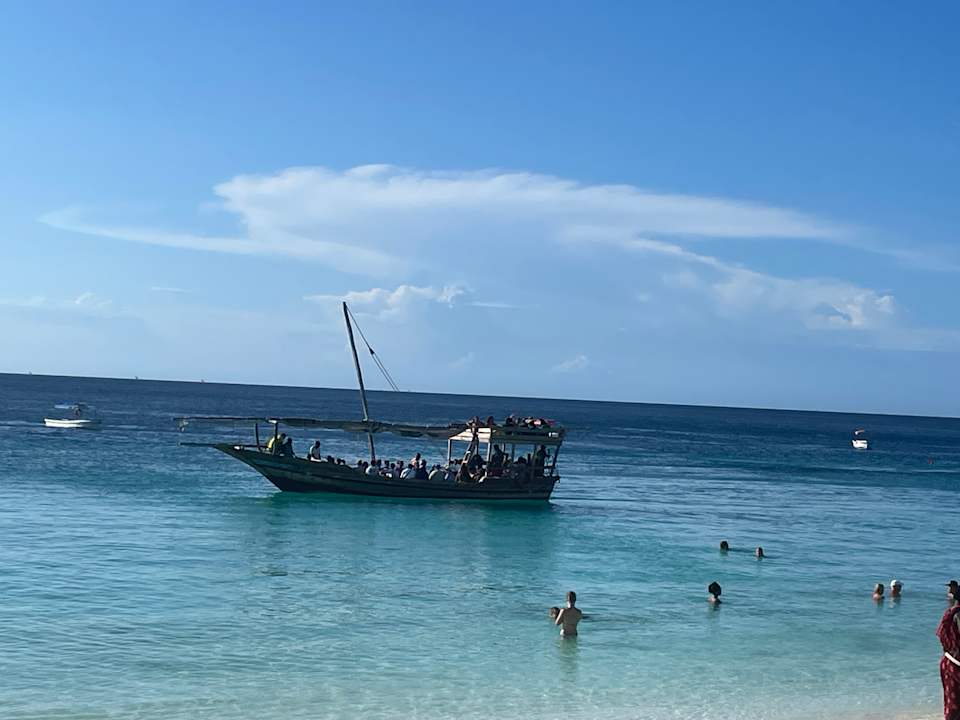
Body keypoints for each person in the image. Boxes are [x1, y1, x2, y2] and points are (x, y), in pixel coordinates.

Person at [937, 586, 960, 720]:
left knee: (952, 702)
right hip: (956, 665)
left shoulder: (949, 613)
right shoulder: (958, 615)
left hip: (948, 662)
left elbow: (943, 638)